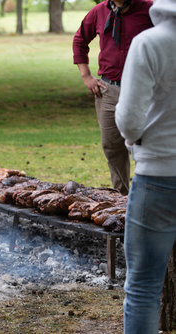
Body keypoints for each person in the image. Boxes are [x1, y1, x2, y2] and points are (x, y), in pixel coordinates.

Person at [115, 0, 176, 332]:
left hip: (159, 179)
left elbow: (129, 121)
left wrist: (131, 138)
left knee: (143, 290)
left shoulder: (150, 43)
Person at [72, 0, 153, 195]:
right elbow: (79, 40)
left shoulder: (149, 8)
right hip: (109, 90)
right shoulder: (100, 11)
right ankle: (121, 199)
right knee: (112, 146)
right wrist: (86, 77)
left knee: (146, 145)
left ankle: (149, 195)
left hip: (143, 90)